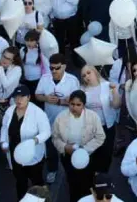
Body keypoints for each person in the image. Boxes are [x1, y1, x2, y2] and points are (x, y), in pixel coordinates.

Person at [51, 90, 106, 202]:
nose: (74, 107)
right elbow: (55, 138)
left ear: (83, 105)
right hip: (68, 156)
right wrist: (65, 147)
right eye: (72, 104)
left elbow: (100, 136)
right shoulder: (60, 117)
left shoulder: (93, 117)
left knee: (88, 183)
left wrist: (84, 150)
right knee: (73, 183)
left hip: (88, 157)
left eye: (78, 105)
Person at [34, 53, 79, 184]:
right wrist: (46, 98)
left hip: (68, 122)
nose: (53, 71)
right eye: (51, 68)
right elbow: (37, 95)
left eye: (57, 68)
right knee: (51, 149)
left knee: (69, 148)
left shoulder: (72, 80)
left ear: (64, 67)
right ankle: (52, 170)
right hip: (49, 121)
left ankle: (73, 171)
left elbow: (78, 101)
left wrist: (60, 102)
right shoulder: (45, 78)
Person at [1, 85, 51, 199]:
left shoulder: (37, 112)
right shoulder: (10, 110)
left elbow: (46, 132)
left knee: (37, 183)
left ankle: (43, 199)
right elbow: (4, 127)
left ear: (28, 97)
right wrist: (3, 141)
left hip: (33, 155)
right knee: (20, 182)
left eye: (22, 97)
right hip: (15, 154)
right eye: (16, 97)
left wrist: (35, 140)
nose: (18, 100)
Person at [79, 65, 120, 173]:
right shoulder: (82, 90)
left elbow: (116, 105)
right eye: (83, 75)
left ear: (95, 72)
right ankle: (94, 174)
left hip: (107, 125)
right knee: (94, 151)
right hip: (91, 127)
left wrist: (115, 91)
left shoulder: (107, 86)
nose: (86, 76)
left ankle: (103, 174)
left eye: (89, 73)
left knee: (107, 151)